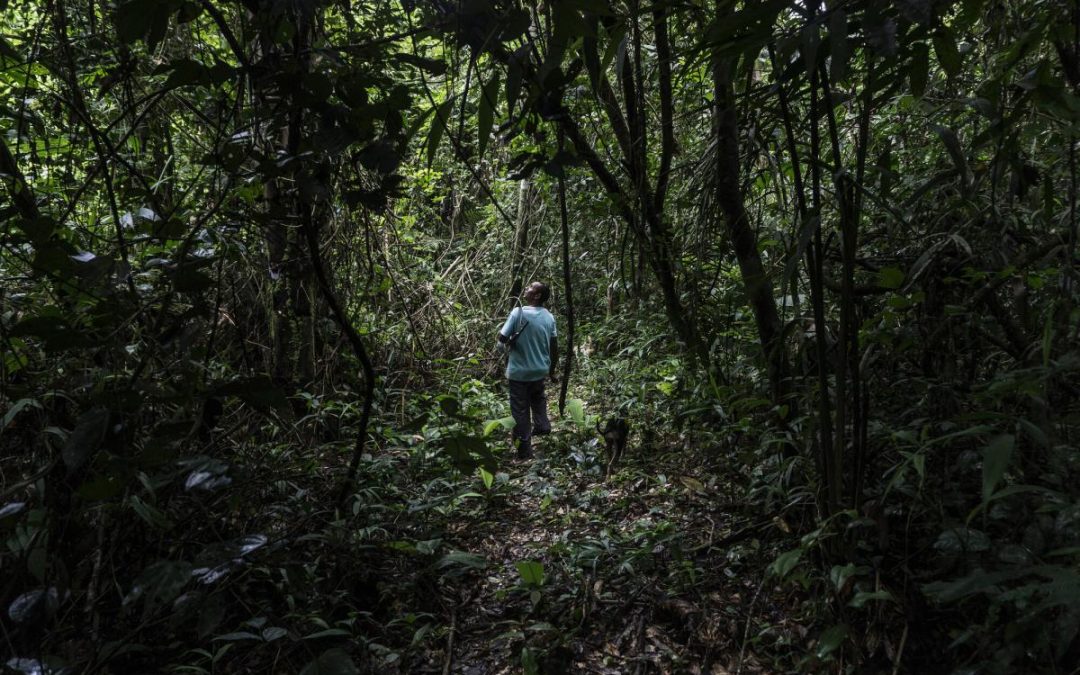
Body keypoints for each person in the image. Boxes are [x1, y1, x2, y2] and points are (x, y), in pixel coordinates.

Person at [497, 281, 559, 459]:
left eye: (530, 287)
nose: (526, 288)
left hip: (519, 372)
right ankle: (542, 425)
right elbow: (554, 347)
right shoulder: (549, 317)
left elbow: (501, 341)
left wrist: (507, 347)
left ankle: (524, 452)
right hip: (540, 370)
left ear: (537, 295)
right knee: (538, 398)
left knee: (520, 411)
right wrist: (551, 370)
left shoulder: (518, 313)